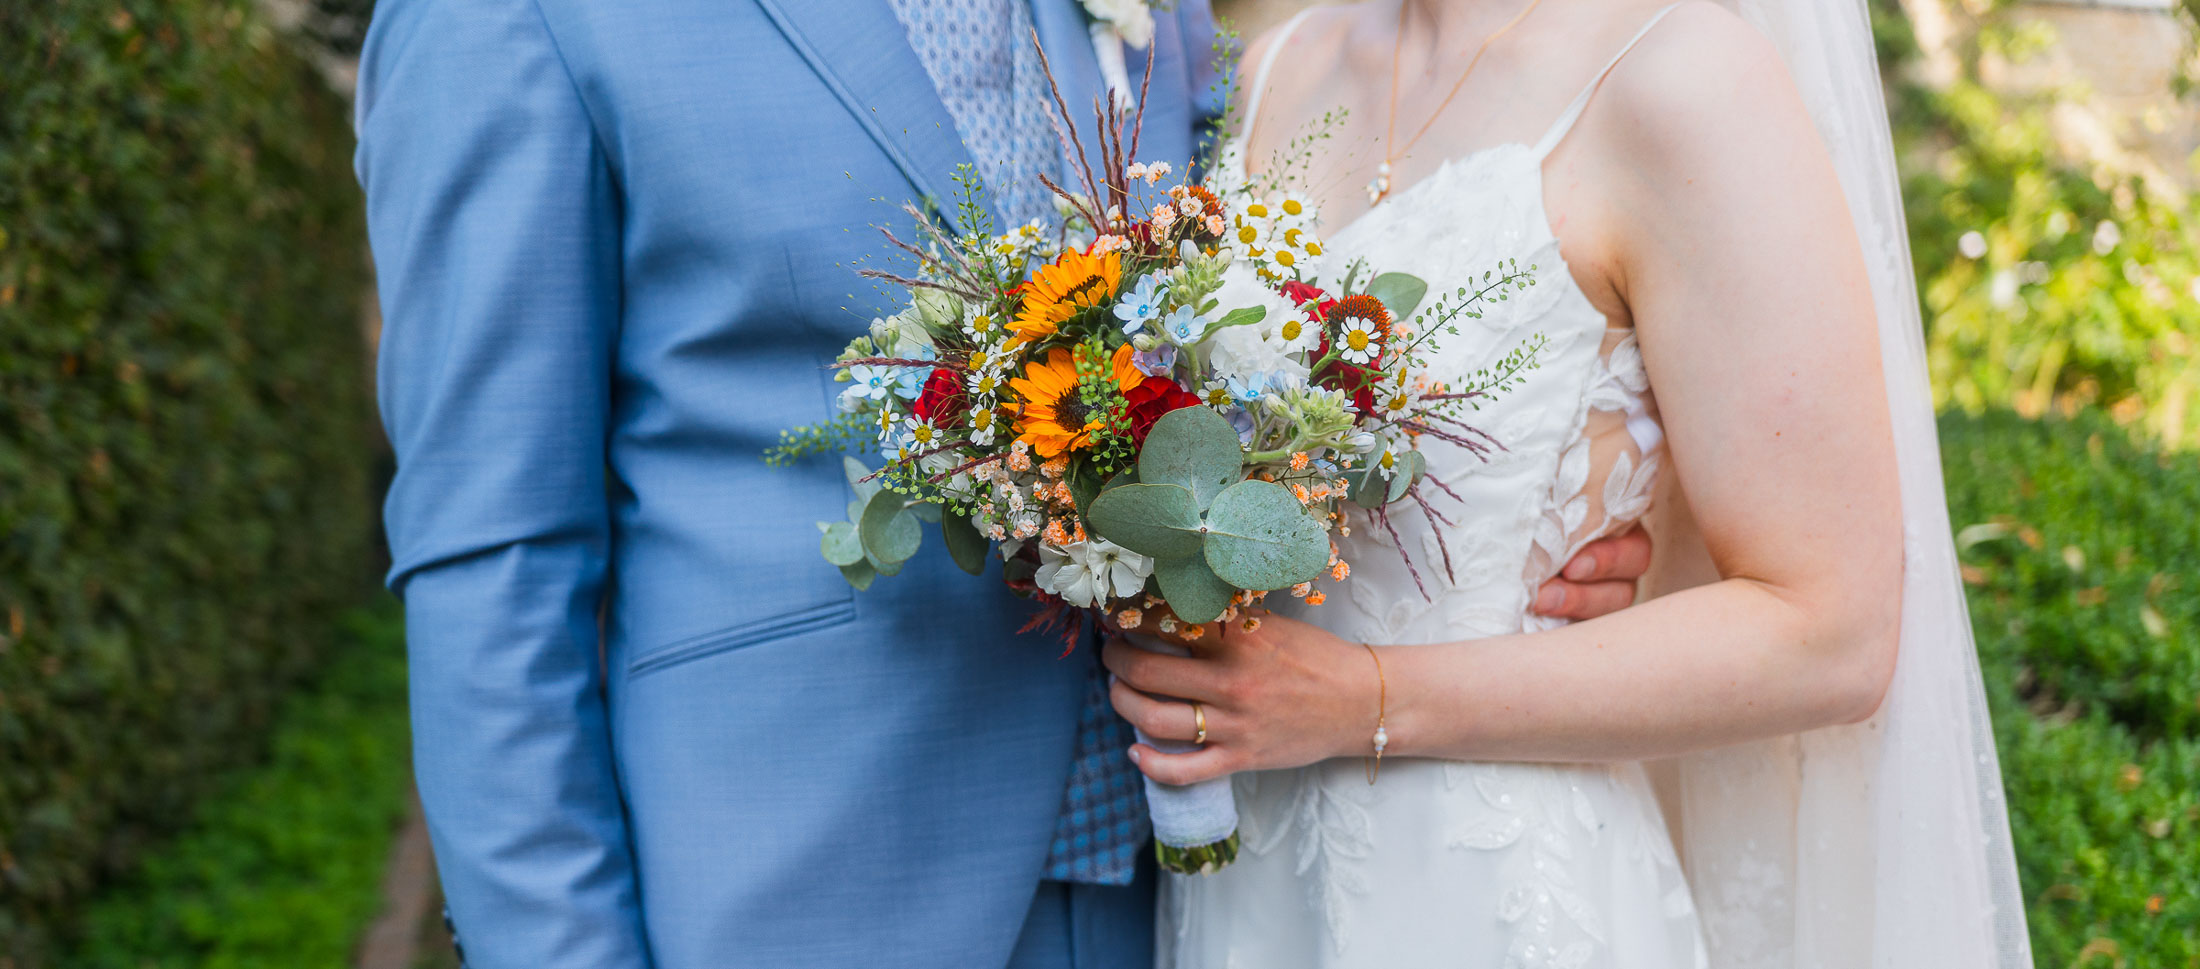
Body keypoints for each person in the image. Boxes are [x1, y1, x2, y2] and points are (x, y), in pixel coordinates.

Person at [354, 1, 1658, 966]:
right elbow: (493, 559)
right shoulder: (514, 19)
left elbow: (1255, 329)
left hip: (1211, 886)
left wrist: (1534, 519)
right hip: (795, 896)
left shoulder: (1182, 27)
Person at [1105, 0, 2033, 966]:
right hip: (1239, 880)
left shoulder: (1683, 79)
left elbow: (1831, 632)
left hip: (1493, 882)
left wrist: (1367, 695)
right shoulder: (1278, 63)